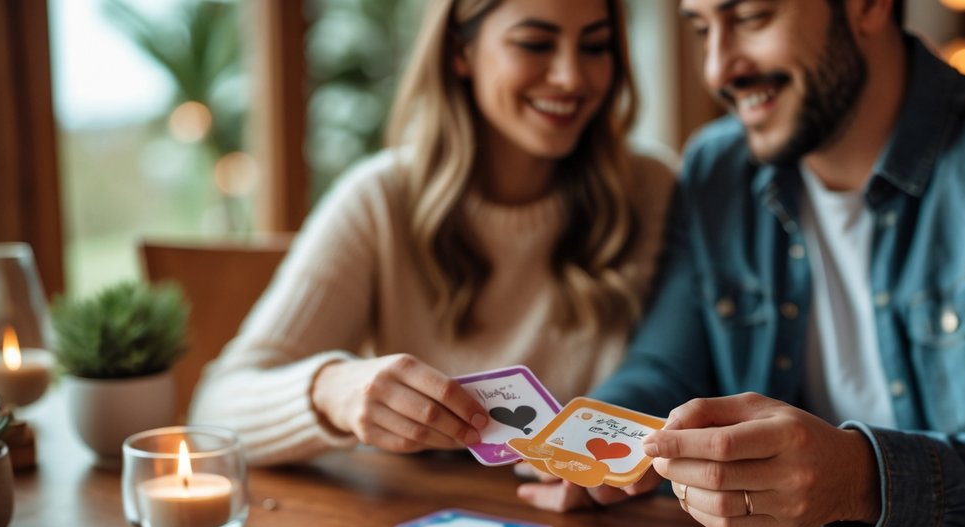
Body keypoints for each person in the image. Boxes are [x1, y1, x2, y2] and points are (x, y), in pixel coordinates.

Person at [519, 0, 965, 527]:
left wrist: (860, 479)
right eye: (702, 28)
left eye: (749, 17)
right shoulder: (717, 167)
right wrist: (593, 439)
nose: (718, 69)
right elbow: (665, 368)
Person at [190, 0, 674, 465]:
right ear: (459, 53)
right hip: (420, 516)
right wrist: (330, 390)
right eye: (534, 44)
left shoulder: (653, 188)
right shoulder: (378, 199)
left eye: (595, 46)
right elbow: (214, 411)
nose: (571, 76)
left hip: (600, 525)